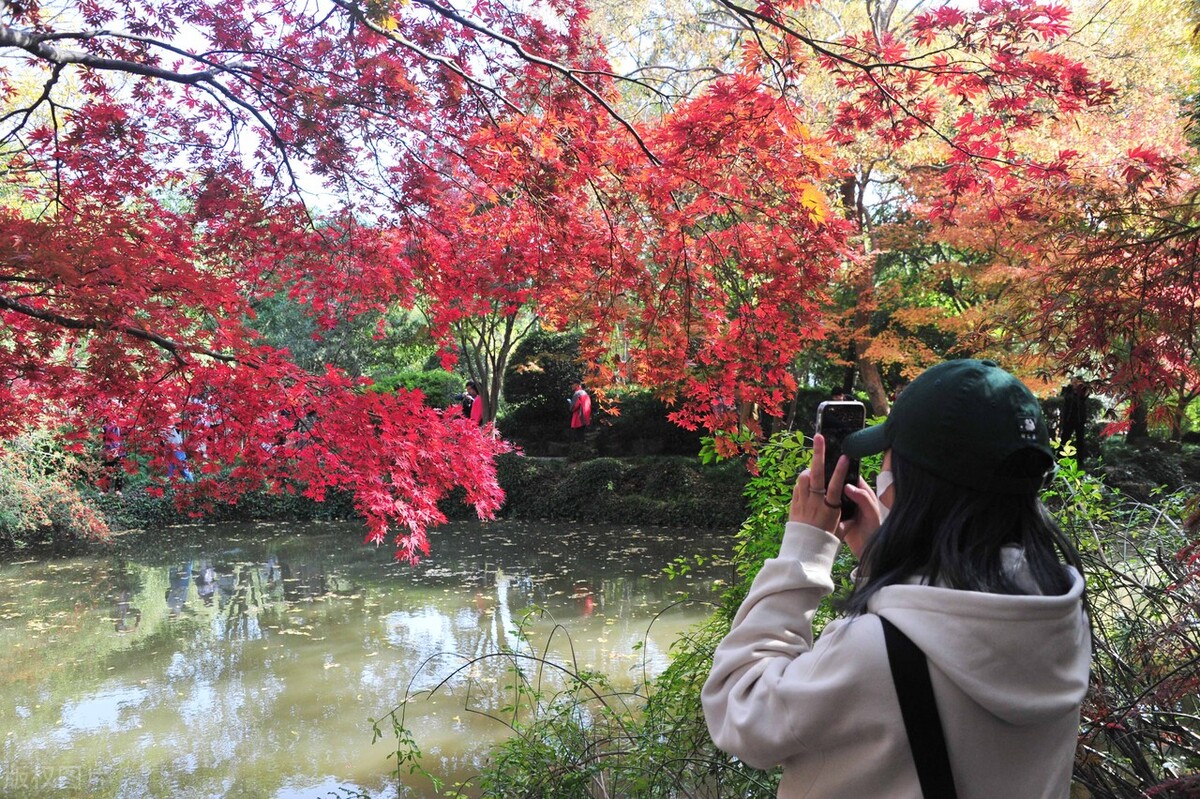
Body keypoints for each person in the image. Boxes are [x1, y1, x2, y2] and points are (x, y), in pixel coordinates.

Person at [703, 359, 1089, 798]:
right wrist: (883, 561)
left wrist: (804, 551)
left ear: (911, 484)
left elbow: (739, 710)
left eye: (888, 460)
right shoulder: (1062, 613)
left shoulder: (872, 651)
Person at [1059, 375, 1090, 461]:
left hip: (1080, 420)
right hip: (1069, 419)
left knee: (1080, 441)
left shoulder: (1082, 391)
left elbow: (1084, 397)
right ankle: (1059, 459)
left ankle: (1080, 461)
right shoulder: (1067, 390)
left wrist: (1082, 388)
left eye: (1077, 382)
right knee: (1064, 439)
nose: (1076, 383)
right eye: (1074, 381)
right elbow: (1065, 399)